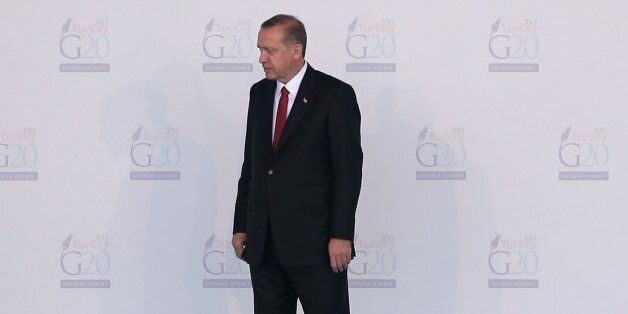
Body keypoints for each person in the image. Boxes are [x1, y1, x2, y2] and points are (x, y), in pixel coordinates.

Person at [232, 14, 362, 314]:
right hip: (264, 245)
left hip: (317, 246)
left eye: (270, 51)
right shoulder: (259, 93)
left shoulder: (335, 95)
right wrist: (242, 225)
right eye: (260, 49)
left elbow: (348, 171)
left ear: (296, 50)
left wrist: (341, 235)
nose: (262, 58)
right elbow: (251, 165)